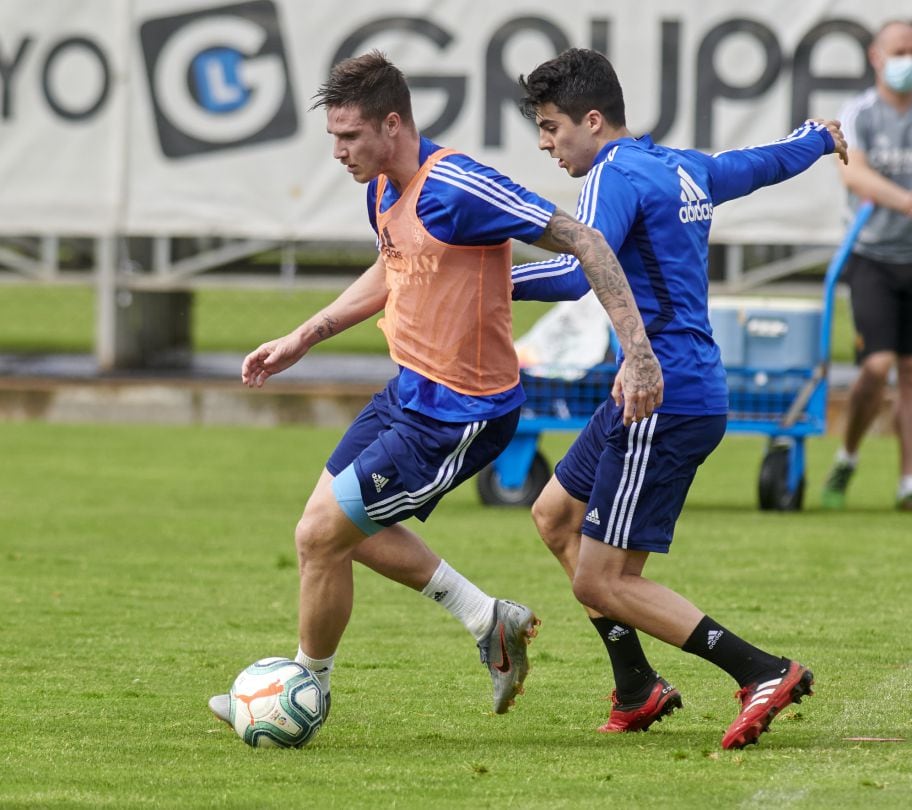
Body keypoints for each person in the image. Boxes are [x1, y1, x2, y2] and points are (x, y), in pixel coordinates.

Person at [208, 50, 663, 727]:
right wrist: (305, 335)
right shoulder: (383, 190)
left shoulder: (458, 186)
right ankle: (488, 621)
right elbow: (393, 269)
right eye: (333, 137)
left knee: (320, 535)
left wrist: (639, 355)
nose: (338, 151)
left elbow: (585, 241)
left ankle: (304, 690)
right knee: (334, 531)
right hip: (406, 394)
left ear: (393, 124)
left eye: (350, 136)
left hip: (461, 414)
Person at [513, 48, 848, 749]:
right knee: (553, 517)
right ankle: (637, 688)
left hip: (658, 397)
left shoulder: (612, 176)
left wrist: (482, 281)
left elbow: (583, 270)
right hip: (660, 390)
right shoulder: (679, 166)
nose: (546, 144)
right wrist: (816, 139)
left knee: (602, 582)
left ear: (593, 120)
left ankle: (761, 670)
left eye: (551, 128)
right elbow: (759, 164)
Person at [822, 19, 912, 516]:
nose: (909, 59)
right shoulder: (861, 114)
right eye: (899, 50)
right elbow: (855, 175)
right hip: (873, 257)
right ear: (876, 56)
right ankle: (847, 455)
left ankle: (910, 484)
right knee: (876, 367)